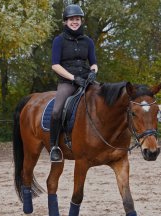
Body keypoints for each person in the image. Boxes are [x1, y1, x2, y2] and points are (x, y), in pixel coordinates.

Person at [50, 4, 98, 162]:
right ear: (65, 22)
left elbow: (94, 63)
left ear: (81, 21)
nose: (74, 22)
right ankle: (54, 146)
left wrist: (93, 72)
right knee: (57, 111)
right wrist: (73, 78)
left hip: (86, 79)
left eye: (77, 19)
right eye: (71, 19)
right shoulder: (59, 40)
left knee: (105, 99)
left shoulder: (88, 41)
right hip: (67, 82)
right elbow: (55, 65)